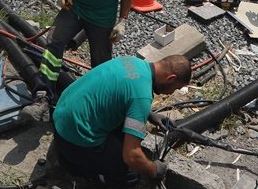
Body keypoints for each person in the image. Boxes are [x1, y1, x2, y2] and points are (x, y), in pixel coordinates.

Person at [52, 54, 192, 186]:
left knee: (121, 135)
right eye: (176, 88)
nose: (171, 93)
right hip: (75, 138)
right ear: (170, 78)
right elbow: (131, 156)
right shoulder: (141, 97)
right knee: (130, 176)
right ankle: (92, 177)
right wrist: (154, 169)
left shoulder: (130, 61)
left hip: (61, 116)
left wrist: (149, 115)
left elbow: (122, 92)